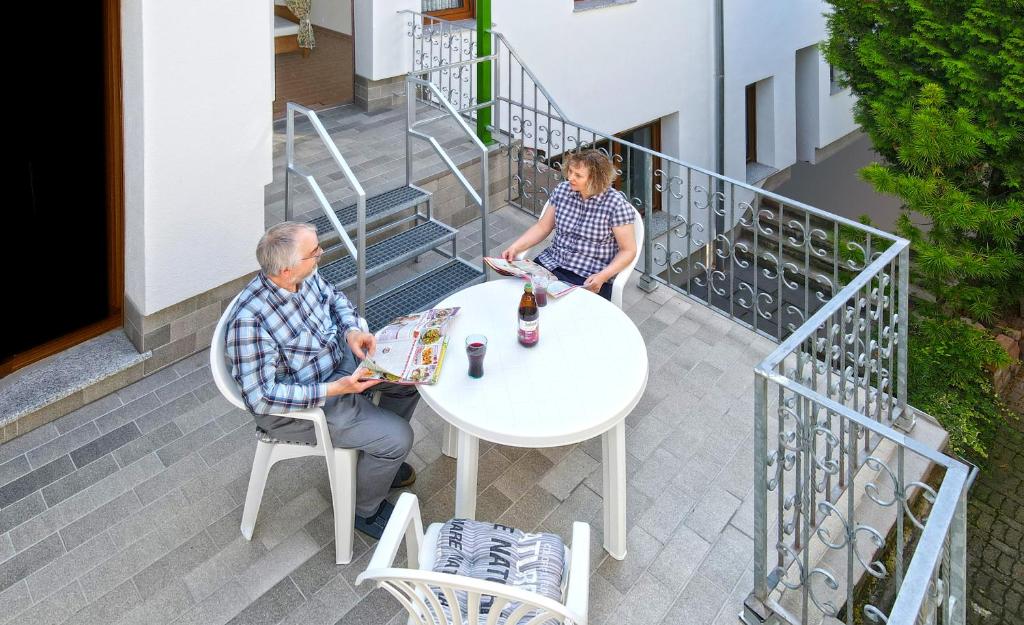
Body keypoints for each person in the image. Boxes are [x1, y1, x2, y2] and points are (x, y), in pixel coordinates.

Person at [225, 221, 418, 539]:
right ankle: (364, 510)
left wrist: (352, 330)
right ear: (286, 270)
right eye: (314, 251)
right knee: (399, 438)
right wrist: (334, 389)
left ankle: (378, 456)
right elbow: (261, 397)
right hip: (306, 405)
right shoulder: (250, 322)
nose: (321, 254)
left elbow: (337, 302)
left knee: (408, 381)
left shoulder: (305, 276)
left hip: (340, 365)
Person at [501, 149, 637, 300]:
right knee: (518, 296)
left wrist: (603, 276)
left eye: (578, 175)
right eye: (570, 171)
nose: (570, 177)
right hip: (551, 263)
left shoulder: (616, 205)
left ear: (596, 179)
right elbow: (542, 227)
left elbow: (628, 251)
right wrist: (516, 247)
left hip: (587, 275)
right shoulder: (563, 190)